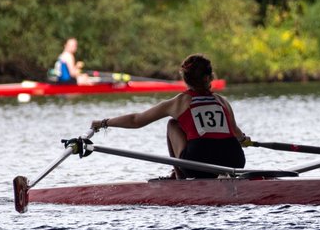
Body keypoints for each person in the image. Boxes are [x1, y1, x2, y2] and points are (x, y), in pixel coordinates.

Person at [90, 54, 246, 178]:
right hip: (234, 160)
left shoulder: (179, 102)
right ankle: (228, 177)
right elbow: (236, 133)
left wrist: (104, 123)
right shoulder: (222, 101)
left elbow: (136, 120)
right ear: (210, 77)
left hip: (198, 164)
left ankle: (178, 177)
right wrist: (244, 139)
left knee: (173, 124)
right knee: (219, 143)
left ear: (185, 78)